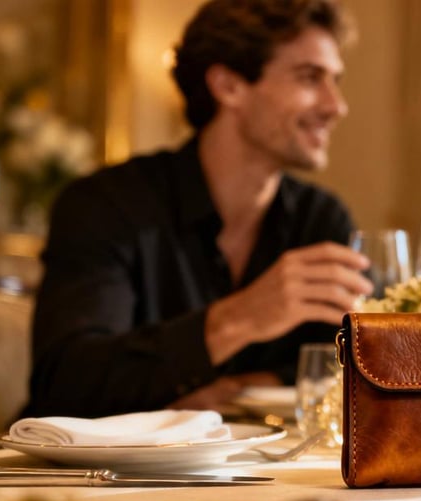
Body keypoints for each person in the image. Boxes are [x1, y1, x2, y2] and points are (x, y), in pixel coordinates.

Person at [22, 0, 373, 418]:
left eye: (335, 80)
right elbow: (66, 382)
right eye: (309, 77)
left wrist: (243, 386)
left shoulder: (322, 219)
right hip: (92, 480)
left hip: (256, 473)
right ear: (228, 86)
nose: (337, 106)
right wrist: (237, 319)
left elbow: (357, 366)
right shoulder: (106, 206)